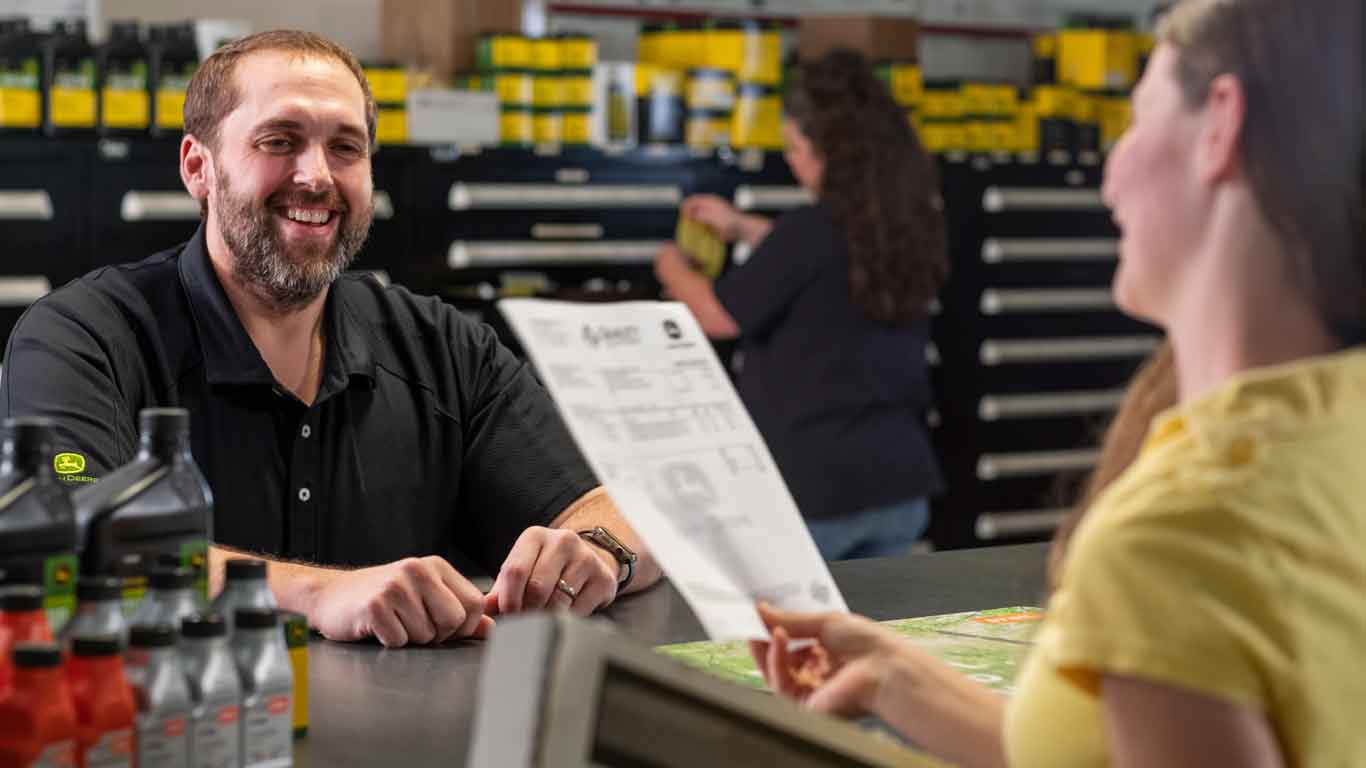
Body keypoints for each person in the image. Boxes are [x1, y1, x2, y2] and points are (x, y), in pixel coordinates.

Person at [750, 0, 1365, 765]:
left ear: (1220, 126)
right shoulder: (1336, 434)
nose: (1110, 172)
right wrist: (892, 673)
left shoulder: (1176, 542)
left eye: (1137, 120)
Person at [0, 30, 660, 648]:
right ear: (198, 167)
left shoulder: (443, 348)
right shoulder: (83, 338)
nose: (317, 175)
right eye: (279, 140)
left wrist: (599, 550)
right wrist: (315, 593)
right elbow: (72, 532)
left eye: (345, 147)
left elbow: (620, 513)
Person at [654, 49, 948, 561]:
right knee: (874, 635)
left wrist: (668, 265)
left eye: (796, 147)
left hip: (815, 491)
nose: (791, 159)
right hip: (898, 486)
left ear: (834, 153)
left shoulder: (809, 230)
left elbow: (717, 315)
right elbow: (825, 261)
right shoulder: (906, 224)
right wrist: (744, 228)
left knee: (791, 638)